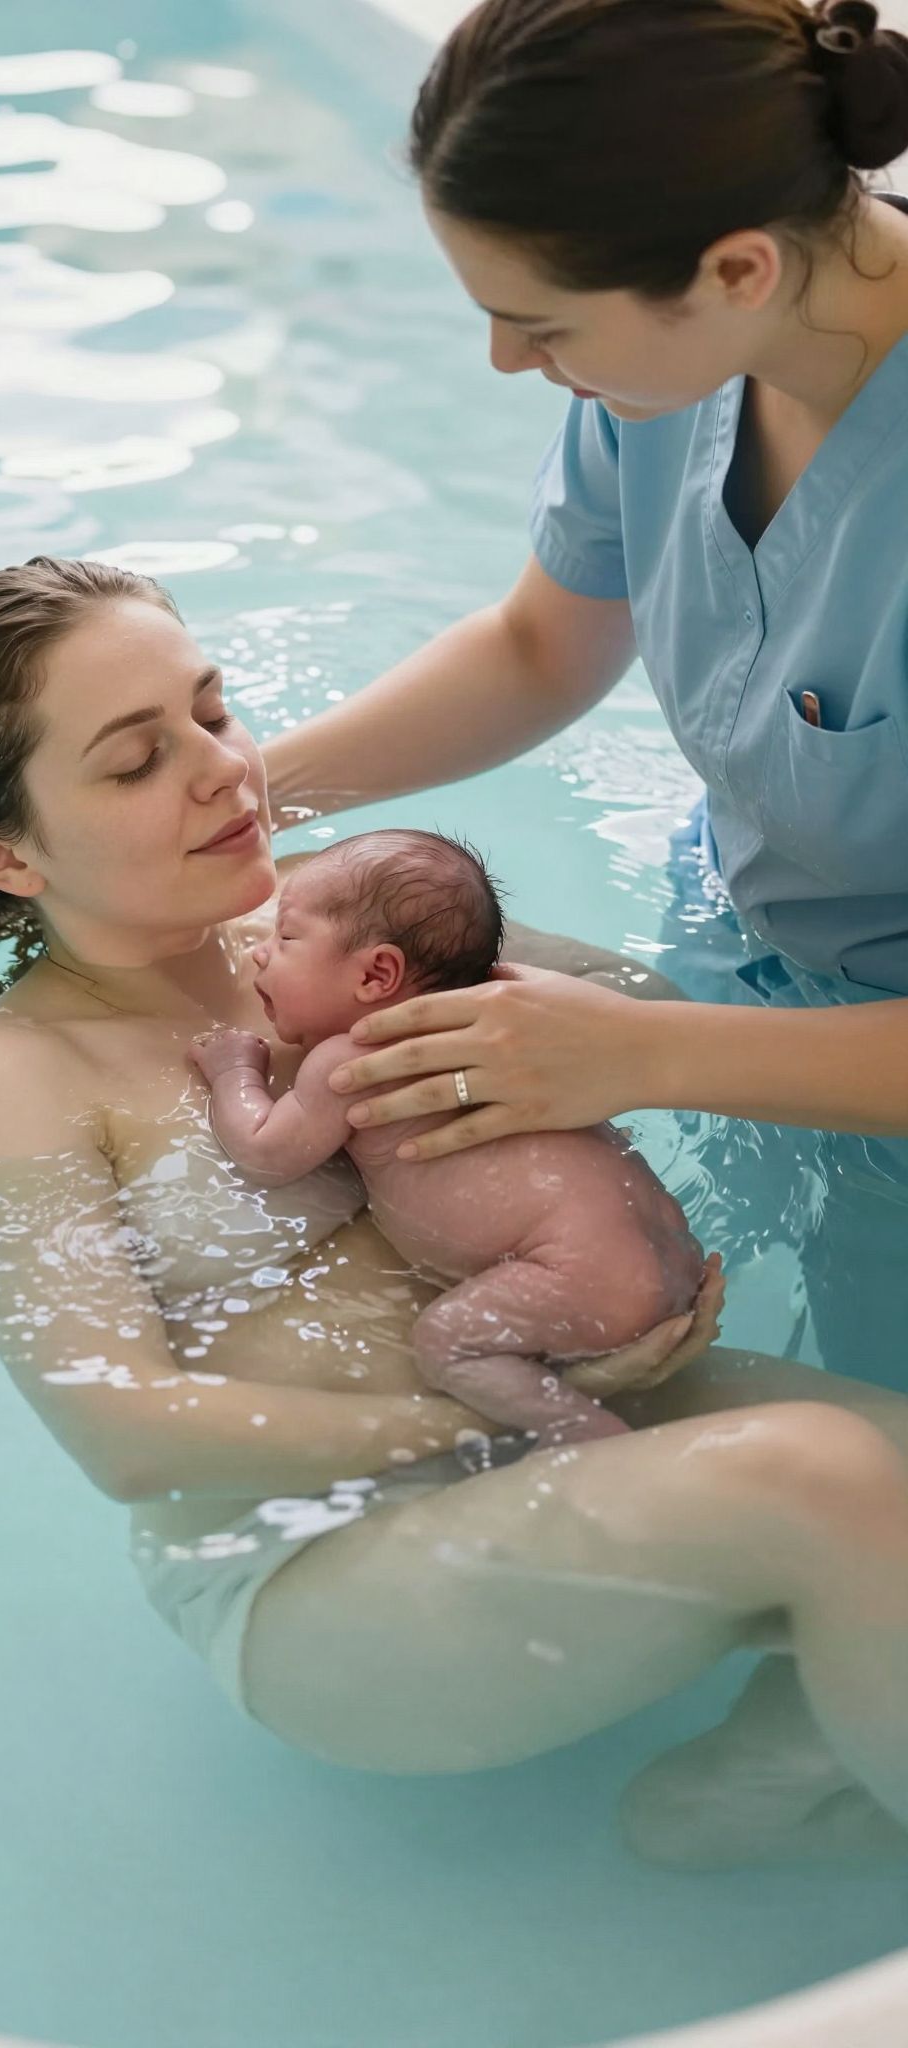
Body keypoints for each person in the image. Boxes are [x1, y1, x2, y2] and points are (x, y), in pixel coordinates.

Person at [0, 555, 908, 1868]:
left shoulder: (334, 922)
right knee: (824, 1481)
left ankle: (774, 1766)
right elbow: (128, 1435)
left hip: (554, 1402)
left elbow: (643, 1022)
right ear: (3, 853)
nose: (221, 768)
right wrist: (483, 1414)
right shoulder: (6, 1085)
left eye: (211, 708)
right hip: (325, 1575)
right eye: (136, 761)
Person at [261, 0, 908, 1394]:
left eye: (537, 323)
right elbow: (543, 648)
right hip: (745, 942)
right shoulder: (669, 370)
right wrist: (243, 802)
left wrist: (642, 1051)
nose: (508, 362)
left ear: (734, 268)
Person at [190, 829, 704, 1442]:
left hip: (581, 1279)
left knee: (444, 1345)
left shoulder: (351, 1062)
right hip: (673, 1252)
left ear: (378, 975)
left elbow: (265, 1154)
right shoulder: (507, 1027)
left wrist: (233, 1072)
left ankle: (588, 1437)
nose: (260, 954)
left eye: (287, 937)